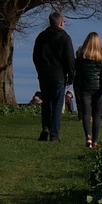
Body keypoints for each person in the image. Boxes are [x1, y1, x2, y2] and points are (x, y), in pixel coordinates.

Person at [30, 12, 74, 142]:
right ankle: (54, 134)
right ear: (61, 23)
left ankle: (45, 128)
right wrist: (71, 76)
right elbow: (70, 59)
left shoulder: (41, 37)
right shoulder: (65, 38)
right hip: (59, 75)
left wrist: (40, 70)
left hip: (44, 75)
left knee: (46, 104)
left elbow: (35, 56)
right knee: (57, 104)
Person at [73, 32, 102, 149]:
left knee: (86, 113)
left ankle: (88, 136)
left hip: (84, 88)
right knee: (96, 115)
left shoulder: (81, 56)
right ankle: (95, 141)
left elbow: (76, 71)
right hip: (98, 89)